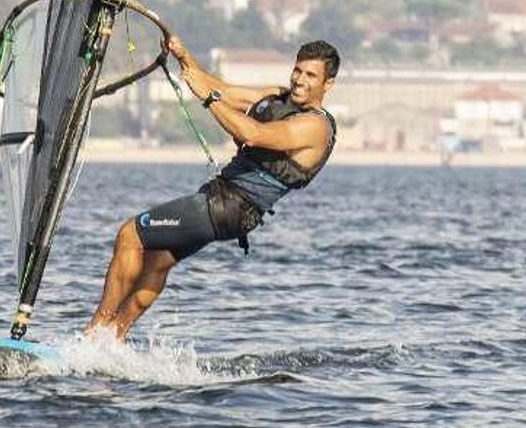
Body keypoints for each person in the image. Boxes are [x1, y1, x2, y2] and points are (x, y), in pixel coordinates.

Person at [86, 37, 340, 339]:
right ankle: (115, 335)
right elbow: (221, 90)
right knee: (157, 260)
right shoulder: (278, 97)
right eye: (297, 71)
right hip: (223, 202)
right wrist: (184, 57)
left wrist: (209, 101)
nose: (299, 80)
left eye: (311, 75)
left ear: (328, 84)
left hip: (230, 207)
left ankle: (96, 331)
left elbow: (252, 133)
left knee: (130, 235)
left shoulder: (315, 126)